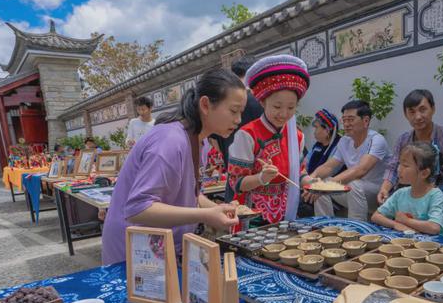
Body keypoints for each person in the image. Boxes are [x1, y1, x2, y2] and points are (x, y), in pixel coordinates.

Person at [101, 68, 245, 264]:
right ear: (205, 104)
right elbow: (138, 208)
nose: (238, 120)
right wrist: (207, 215)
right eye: (233, 111)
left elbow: (190, 193)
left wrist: (219, 209)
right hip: (135, 250)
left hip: (161, 245)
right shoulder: (170, 140)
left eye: (240, 113)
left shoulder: (199, 142)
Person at [227, 54, 310, 224]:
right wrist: (261, 178)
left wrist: (312, 183)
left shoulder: (297, 136)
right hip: (254, 217)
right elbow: (236, 183)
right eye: (277, 106)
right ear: (263, 102)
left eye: (291, 107)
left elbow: (299, 173)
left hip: (287, 212)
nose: (284, 114)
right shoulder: (247, 135)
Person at [306, 100, 390, 221]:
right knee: (321, 182)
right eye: (344, 120)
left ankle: (356, 231)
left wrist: (326, 186)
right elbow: (328, 167)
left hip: (377, 195)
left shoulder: (377, 140)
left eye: (350, 120)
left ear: (366, 121)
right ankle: (324, 226)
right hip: (354, 192)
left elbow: (360, 170)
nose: (346, 124)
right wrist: (311, 179)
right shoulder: (345, 141)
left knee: (351, 184)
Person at [378, 89, 443, 205]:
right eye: (412, 112)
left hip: (437, 196)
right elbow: (393, 168)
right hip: (405, 193)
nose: (418, 116)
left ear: (433, 109)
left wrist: (426, 195)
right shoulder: (403, 140)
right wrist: (384, 189)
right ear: (406, 114)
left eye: (422, 109)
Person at [207, 55, 264, 203]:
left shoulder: (221, 102)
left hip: (234, 187)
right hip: (263, 190)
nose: (237, 119)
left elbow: (215, 144)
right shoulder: (262, 101)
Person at [371, 143, 443, 234]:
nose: (399, 169)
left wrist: (406, 221)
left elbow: (434, 227)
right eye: (400, 164)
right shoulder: (400, 193)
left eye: (405, 165)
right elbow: (376, 216)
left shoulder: (435, 195)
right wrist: (395, 224)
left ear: (424, 173)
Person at [305, 109, 342, 174]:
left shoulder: (338, 147)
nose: (314, 132)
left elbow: (330, 172)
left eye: (316, 128)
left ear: (327, 130)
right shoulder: (317, 145)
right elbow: (305, 163)